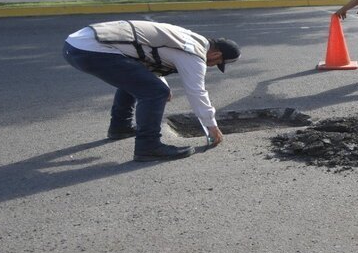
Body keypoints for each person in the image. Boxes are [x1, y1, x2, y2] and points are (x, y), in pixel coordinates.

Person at [63, 20, 240, 161]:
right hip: (93, 49)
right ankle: (148, 146)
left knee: (144, 85)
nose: (212, 66)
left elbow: (147, 55)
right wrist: (211, 126)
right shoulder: (194, 54)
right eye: (216, 63)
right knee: (155, 92)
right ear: (216, 55)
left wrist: (160, 82)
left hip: (76, 44)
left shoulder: (188, 37)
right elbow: (196, 92)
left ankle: (120, 127)